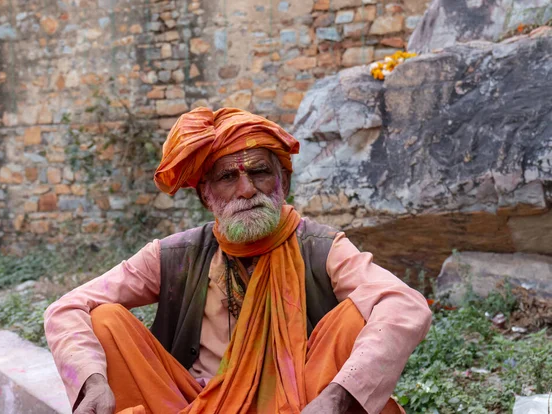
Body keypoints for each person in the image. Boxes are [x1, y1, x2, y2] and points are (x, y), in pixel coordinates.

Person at [44, 107, 432, 414]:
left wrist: (337, 396)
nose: (246, 189)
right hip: (194, 403)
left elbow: (404, 304)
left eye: (260, 172)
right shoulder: (175, 255)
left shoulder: (321, 246)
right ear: (206, 195)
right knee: (105, 320)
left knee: (354, 316)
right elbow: (67, 308)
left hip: (300, 403)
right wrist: (93, 381)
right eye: (228, 177)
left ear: (283, 182)